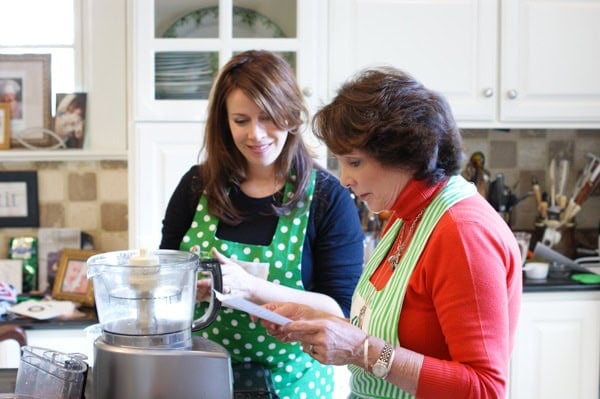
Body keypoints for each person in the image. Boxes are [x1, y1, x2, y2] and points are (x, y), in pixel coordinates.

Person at [260, 67, 522, 398]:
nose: (344, 179)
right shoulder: (406, 215)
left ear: (404, 155)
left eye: (354, 163)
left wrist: (362, 351)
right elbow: (399, 337)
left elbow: (484, 388)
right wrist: (319, 322)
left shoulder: (463, 234)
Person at [160, 50, 364, 398]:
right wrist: (187, 289)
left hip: (294, 387)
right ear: (224, 122)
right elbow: (163, 279)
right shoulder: (197, 186)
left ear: (291, 113)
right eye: (241, 120)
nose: (256, 134)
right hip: (199, 382)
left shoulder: (328, 198)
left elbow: (343, 314)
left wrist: (250, 287)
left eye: (268, 117)